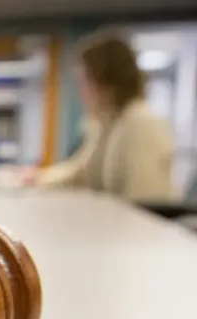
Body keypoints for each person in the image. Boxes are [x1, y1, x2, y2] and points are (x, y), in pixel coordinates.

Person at [31, 31, 177, 203]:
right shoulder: (109, 124)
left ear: (104, 82)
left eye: (84, 81)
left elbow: (146, 203)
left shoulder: (139, 125)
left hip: (138, 227)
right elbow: (81, 171)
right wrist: (38, 178)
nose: (81, 91)